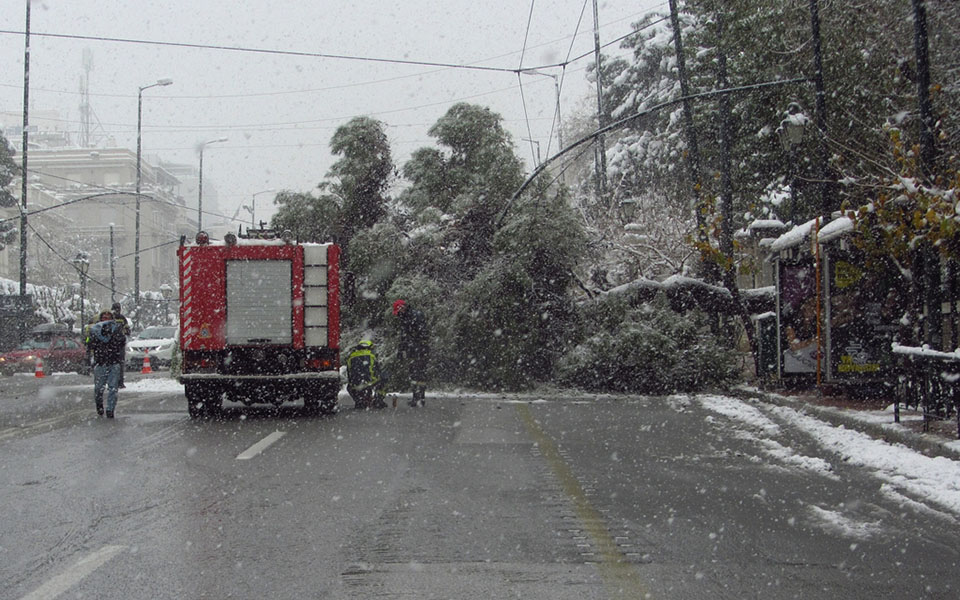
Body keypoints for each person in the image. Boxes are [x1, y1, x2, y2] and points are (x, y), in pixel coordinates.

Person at [88, 309, 127, 418]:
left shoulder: (117, 329)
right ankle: (99, 405)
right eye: (104, 318)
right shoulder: (95, 330)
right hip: (100, 363)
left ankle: (110, 410)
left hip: (113, 362)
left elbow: (122, 342)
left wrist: (114, 336)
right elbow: (90, 344)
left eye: (108, 317)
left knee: (113, 388)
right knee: (99, 387)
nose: (106, 320)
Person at [392, 299, 429, 407]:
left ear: (402, 308)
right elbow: (404, 336)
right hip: (415, 349)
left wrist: (414, 345)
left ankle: (419, 398)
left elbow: (420, 334)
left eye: (398, 312)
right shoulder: (407, 317)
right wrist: (401, 350)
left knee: (418, 374)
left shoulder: (414, 317)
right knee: (415, 374)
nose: (398, 315)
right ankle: (417, 398)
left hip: (419, 350)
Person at [346, 339, 387, 409]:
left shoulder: (351, 357)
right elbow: (377, 369)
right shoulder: (372, 356)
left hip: (355, 383)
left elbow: (349, 372)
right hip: (370, 381)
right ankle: (378, 400)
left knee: (349, 387)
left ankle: (359, 401)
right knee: (384, 379)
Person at [111, 303, 131, 387]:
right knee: (117, 364)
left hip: (118, 344)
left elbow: (127, 331)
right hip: (115, 345)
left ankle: (119, 382)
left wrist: (125, 331)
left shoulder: (121, 318)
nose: (117, 310)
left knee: (118, 364)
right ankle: (117, 382)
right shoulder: (117, 318)